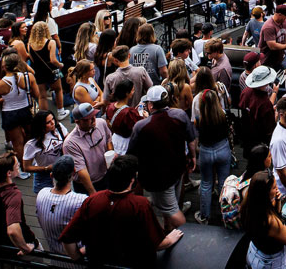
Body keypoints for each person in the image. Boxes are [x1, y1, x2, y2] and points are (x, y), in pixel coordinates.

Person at [60, 153, 183, 264]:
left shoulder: (92, 200)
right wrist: (170, 240)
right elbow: (155, 243)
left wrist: (77, 257)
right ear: (132, 180)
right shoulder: (140, 204)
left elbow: (68, 238)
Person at [127, 85, 197, 229]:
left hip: (159, 177)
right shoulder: (180, 115)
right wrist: (193, 157)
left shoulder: (141, 126)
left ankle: (188, 234)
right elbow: (191, 140)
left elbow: (131, 153)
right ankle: (168, 228)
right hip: (178, 168)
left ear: (150, 105)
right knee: (171, 206)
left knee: (171, 210)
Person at [0, 53, 38, 178]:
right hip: (26, 110)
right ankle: (31, 160)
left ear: (4, 67)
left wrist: (4, 99)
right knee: (29, 137)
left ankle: (23, 169)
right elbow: (37, 94)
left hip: (10, 113)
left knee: (17, 143)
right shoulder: (29, 77)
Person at [192, 85, 233, 224]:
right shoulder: (224, 114)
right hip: (222, 149)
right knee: (223, 183)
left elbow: (197, 131)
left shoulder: (199, 118)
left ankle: (204, 216)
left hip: (206, 151)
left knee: (206, 184)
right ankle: (225, 214)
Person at [238, 169, 286, 269]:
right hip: (269, 262)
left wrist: (277, 202)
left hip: (254, 251)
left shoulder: (248, 204)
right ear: (265, 193)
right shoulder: (271, 221)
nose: (277, 189)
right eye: (274, 187)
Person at [35, 155, 88, 254]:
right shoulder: (81, 200)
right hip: (78, 259)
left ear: (51, 175)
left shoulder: (41, 194)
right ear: (74, 172)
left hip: (55, 257)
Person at [63, 102, 114, 195]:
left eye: (94, 115)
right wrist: (93, 194)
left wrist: (110, 156)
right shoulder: (70, 143)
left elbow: (108, 140)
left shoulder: (101, 123)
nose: (93, 119)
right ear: (77, 121)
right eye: (88, 119)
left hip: (106, 176)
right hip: (86, 185)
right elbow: (81, 171)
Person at [23, 110, 70, 194]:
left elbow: (69, 141)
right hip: (44, 176)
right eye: (48, 122)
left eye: (53, 119)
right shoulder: (32, 144)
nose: (53, 123)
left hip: (62, 171)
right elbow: (26, 167)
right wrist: (46, 168)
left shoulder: (59, 128)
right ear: (41, 125)